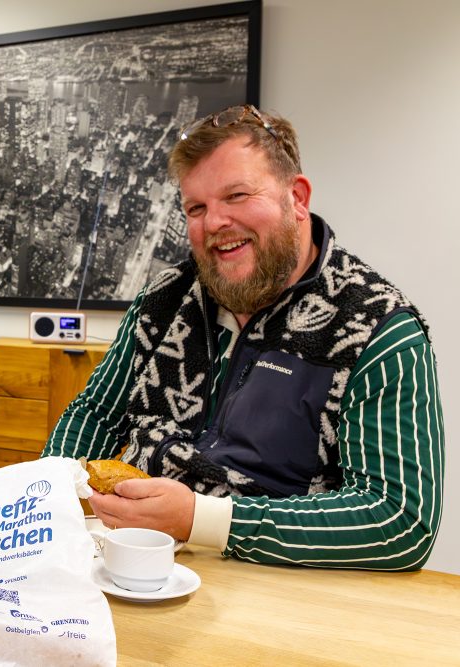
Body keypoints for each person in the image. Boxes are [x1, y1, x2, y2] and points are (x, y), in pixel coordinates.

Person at [44, 105, 444, 570]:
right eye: (196, 207)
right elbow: (95, 415)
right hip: (125, 561)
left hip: (276, 590)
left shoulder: (379, 328)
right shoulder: (165, 296)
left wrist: (201, 521)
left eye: (235, 195)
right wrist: (49, 499)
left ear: (296, 197)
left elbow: (399, 522)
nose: (214, 223)